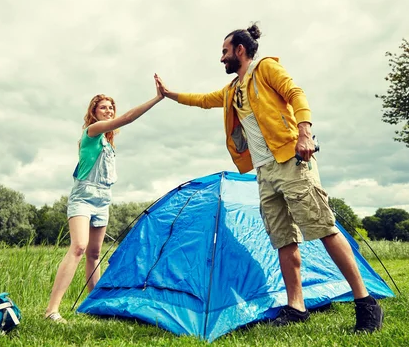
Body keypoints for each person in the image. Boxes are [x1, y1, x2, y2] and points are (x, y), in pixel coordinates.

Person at [154, 23, 384, 333]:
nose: (221, 58)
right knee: (283, 239)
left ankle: (366, 302)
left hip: (291, 160)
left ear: (240, 50)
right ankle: (296, 307)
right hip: (264, 171)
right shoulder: (233, 90)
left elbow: (296, 93)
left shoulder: (266, 68)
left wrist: (304, 134)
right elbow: (203, 99)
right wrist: (169, 94)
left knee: (323, 227)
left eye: (224, 51)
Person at [45, 83, 163, 323]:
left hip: (103, 199)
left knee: (94, 253)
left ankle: (95, 304)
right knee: (79, 246)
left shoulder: (108, 144)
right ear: (94, 112)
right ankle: (51, 310)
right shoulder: (92, 131)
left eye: (111, 107)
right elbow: (128, 119)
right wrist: (157, 98)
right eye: (103, 108)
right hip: (83, 197)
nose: (108, 111)